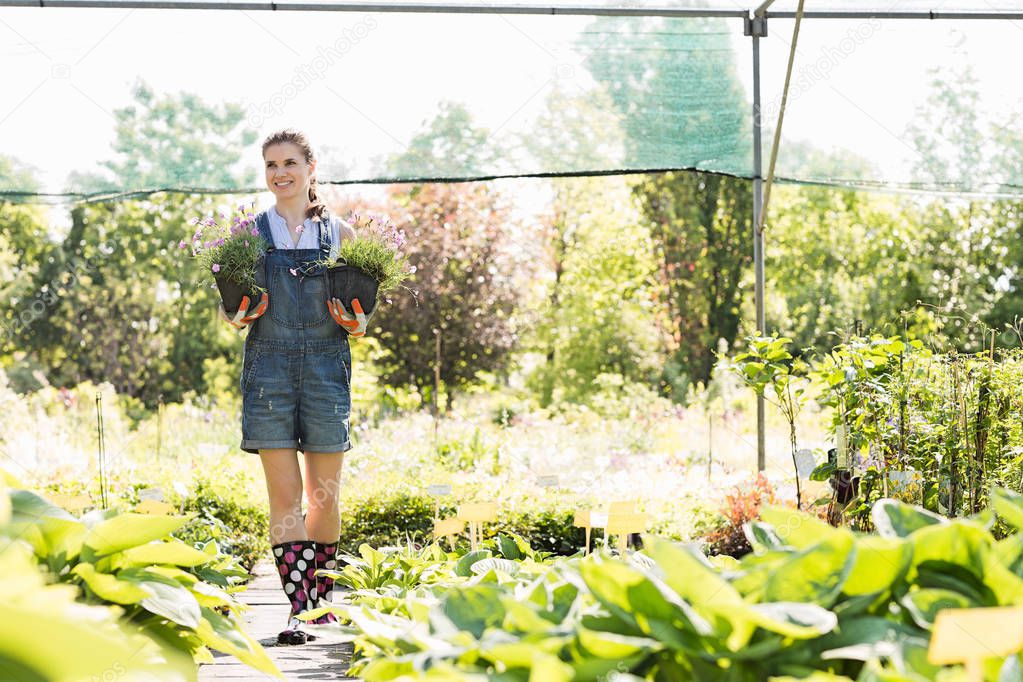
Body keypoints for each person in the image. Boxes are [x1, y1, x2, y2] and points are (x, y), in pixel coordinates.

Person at [217, 128, 373, 645]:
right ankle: (300, 610)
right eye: (270, 165)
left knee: (322, 498)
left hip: (328, 369)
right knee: (284, 496)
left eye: (288, 163)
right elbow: (232, 313)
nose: (279, 173)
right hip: (269, 371)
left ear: (310, 168)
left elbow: (361, 317)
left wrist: (356, 324)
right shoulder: (250, 234)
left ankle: (320, 601)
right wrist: (240, 313)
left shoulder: (342, 235)